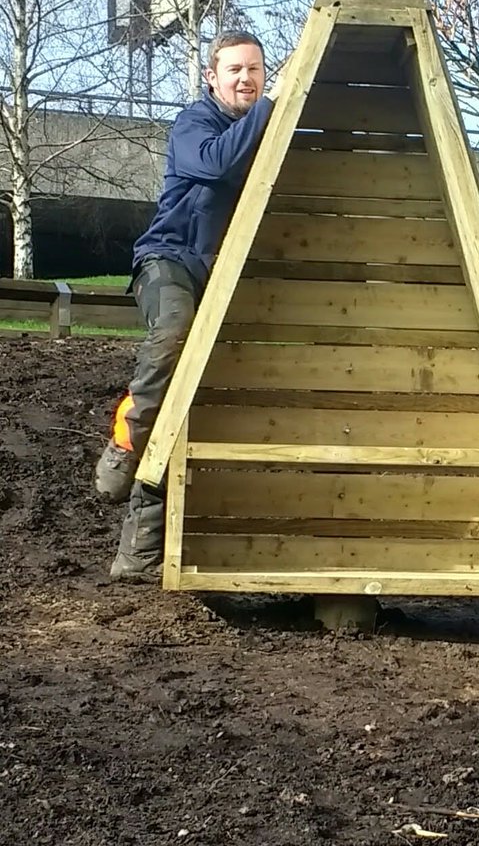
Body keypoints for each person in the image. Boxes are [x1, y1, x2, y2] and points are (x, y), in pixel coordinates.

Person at [94, 30, 285, 581]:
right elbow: (214, 167)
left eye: (255, 70)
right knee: (172, 329)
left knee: (190, 404)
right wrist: (268, 110)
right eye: (235, 70)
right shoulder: (195, 124)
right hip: (168, 261)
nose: (247, 79)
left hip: (220, 277)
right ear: (212, 76)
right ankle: (123, 446)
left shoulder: (262, 133)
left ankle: (138, 553)